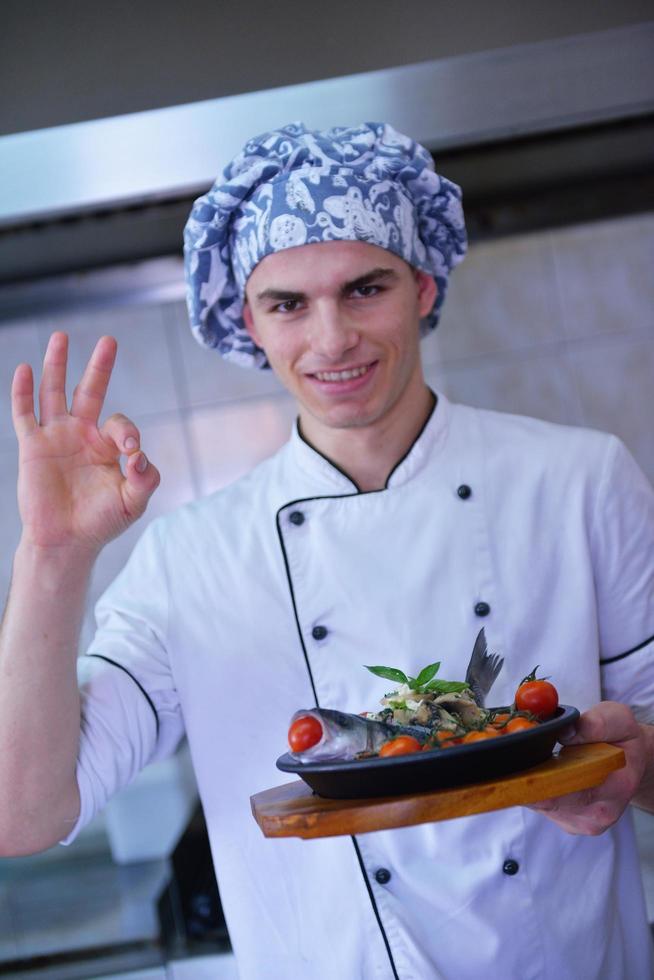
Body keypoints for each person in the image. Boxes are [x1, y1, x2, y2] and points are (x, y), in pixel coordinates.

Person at [1, 121, 653, 979]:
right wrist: (51, 558)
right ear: (248, 321)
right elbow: (24, 817)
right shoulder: (193, 559)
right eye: (287, 305)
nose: (332, 338)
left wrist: (632, 764)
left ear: (422, 286)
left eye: (364, 288)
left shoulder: (579, 481)